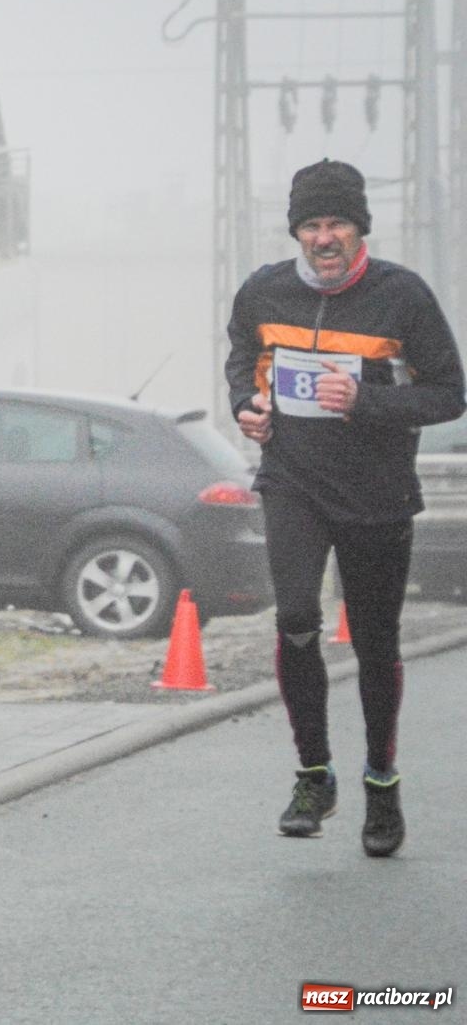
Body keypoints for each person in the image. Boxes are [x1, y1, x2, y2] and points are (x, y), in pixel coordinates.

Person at [225, 158, 464, 858]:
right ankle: (314, 775)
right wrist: (247, 405)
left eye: (336, 224)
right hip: (293, 481)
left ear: (360, 229)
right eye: (311, 224)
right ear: (296, 230)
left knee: (375, 640)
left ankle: (382, 785)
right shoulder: (262, 292)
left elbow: (449, 392)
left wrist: (367, 401)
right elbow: (243, 357)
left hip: (377, 493)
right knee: (297, 614)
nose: (323, 237)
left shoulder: (403, 298)